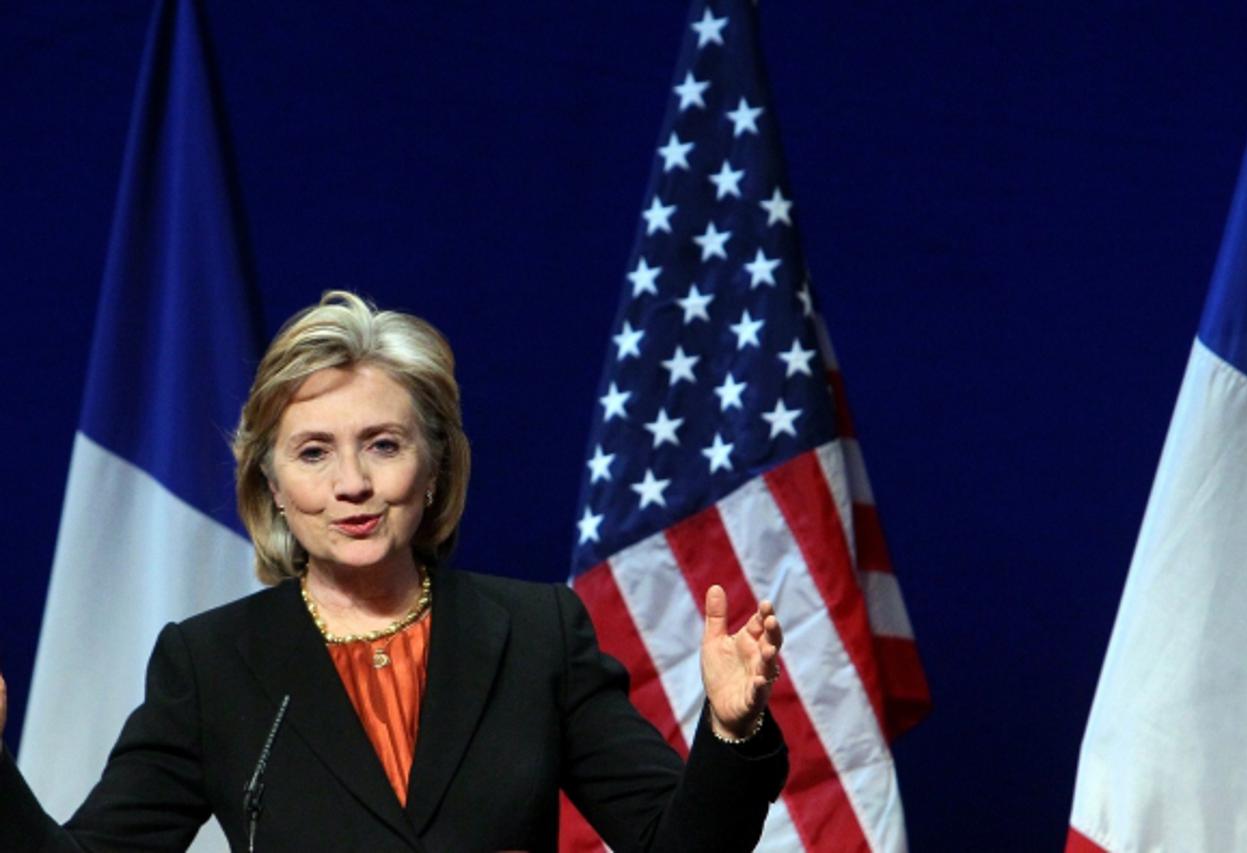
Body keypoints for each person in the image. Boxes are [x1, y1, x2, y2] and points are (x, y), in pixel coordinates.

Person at [0, 291, 788, 851]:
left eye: (383, 443)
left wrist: (733, 729)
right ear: (271, 484)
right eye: (314, 452)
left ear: (435, 468)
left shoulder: (538, 634)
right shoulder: (209, 666)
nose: (352, 483)